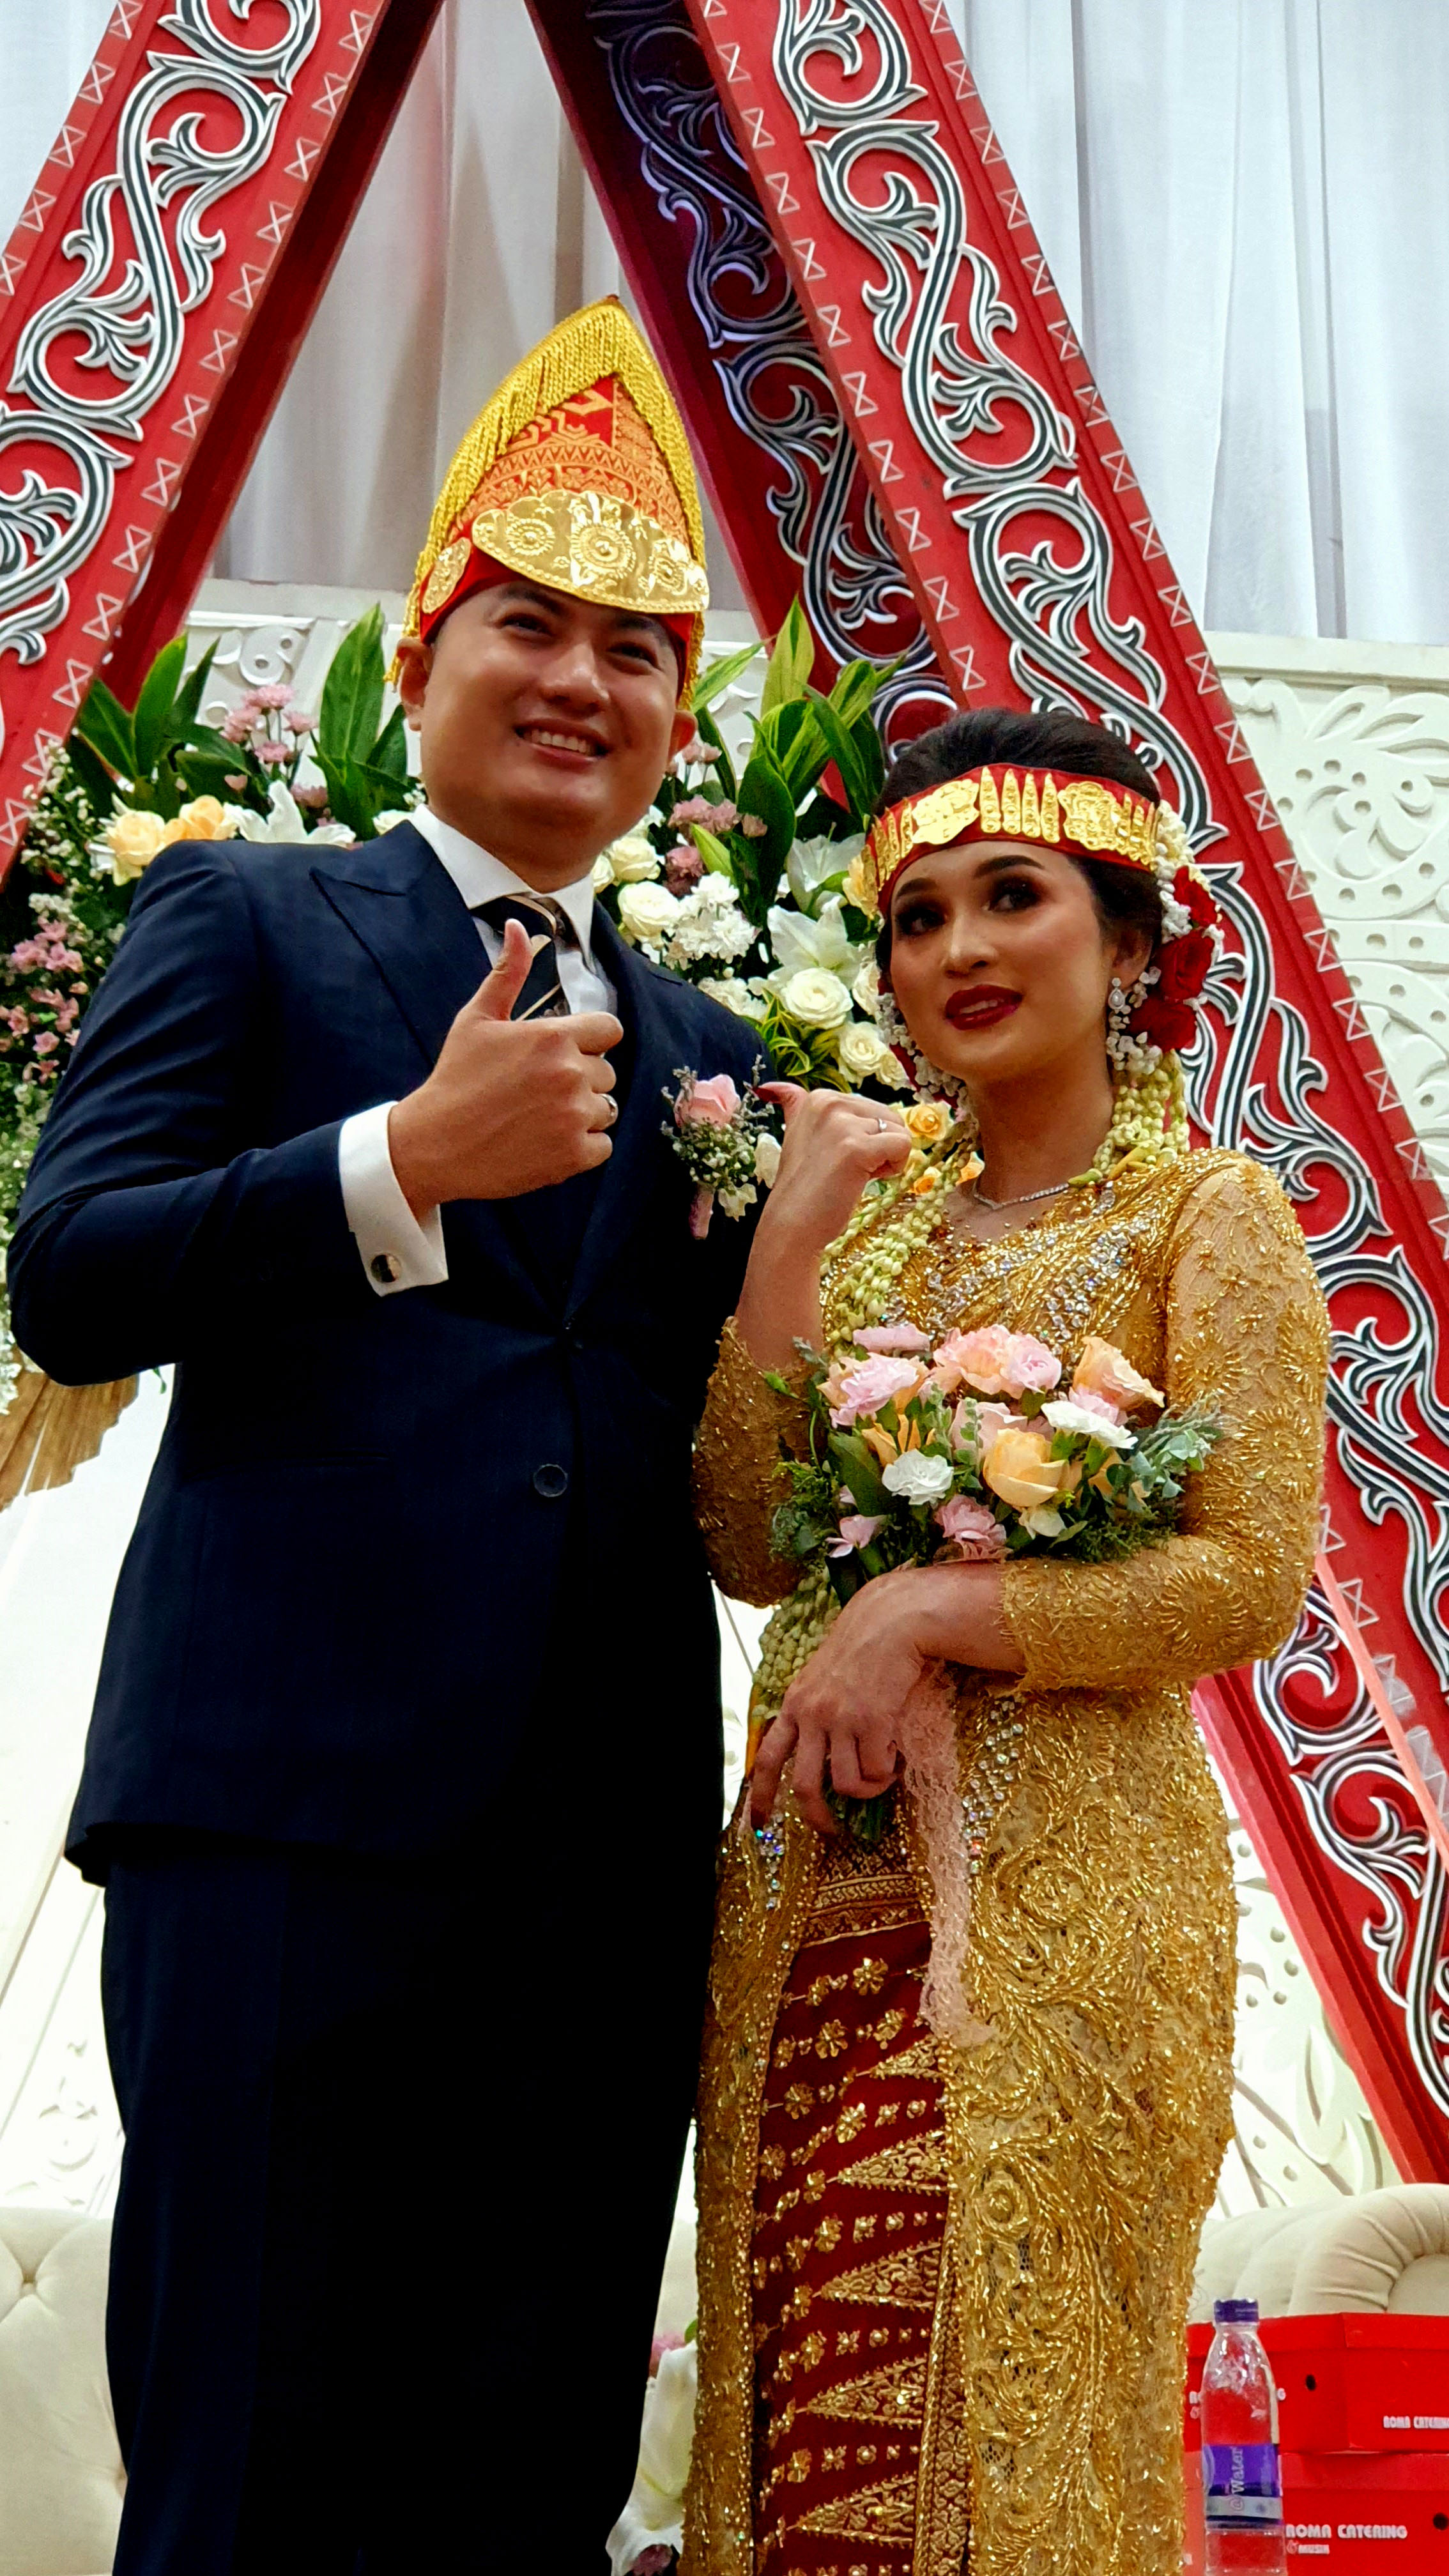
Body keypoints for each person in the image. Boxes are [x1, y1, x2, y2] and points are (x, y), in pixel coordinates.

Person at [9, 299, 767, 2575]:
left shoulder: (717, 1048)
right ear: (418, 659)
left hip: (602, 1856)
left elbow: (719, 1455)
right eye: (527, 626)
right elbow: (74, 1274)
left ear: (675, 723)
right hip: (284, 1817)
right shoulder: (246, 913)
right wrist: (397, 1163)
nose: (581, 680)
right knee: (252, 2463)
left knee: (531, 2477)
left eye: (638, 650)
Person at [686, 708, 1328, 2576]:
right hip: (807, 1888)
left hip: (1066, 1912)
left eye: (1013, 898)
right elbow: (744, 1538)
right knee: (808, 2398)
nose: (959, 948)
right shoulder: (874, 1230)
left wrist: (930, 1607)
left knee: (1014, 2417)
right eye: (918, 917)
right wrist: (785, 1250)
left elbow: (1245, 1578)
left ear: (1126, 946)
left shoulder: (1208, 1217)